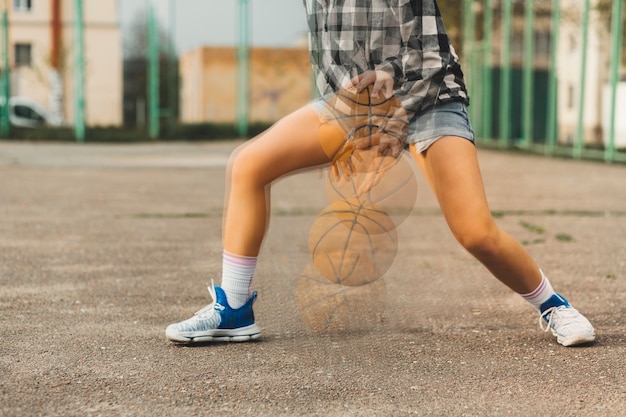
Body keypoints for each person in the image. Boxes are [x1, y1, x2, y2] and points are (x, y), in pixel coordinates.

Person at [166, 0, 595, 347]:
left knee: (476, 232)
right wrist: (349, 124)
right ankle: (235, 309)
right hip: (357, 104)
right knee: (248, 164)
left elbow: (430, 57)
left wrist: (391, 119)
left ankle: (552, 304)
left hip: (427, 97)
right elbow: (331, 60)